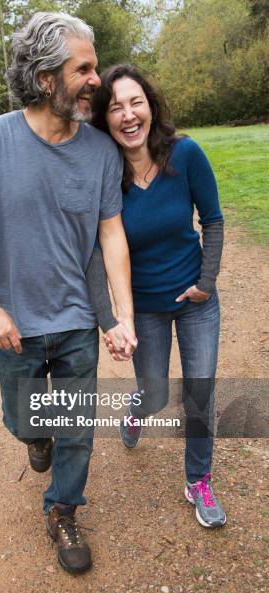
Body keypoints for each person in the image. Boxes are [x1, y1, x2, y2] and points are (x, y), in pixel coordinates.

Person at [0, 14, 136, 574]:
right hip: (13, 326)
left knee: (77, 428)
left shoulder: (100, 151)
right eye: (84, 68)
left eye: (95, 66)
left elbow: (111, 234)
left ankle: (64, 510)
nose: (95, 79)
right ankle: (35, 437)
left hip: (76, 321)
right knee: (26, 421)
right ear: (45, 77)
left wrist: (120, 316)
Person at [87, 64, 226, 528]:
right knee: (154, 395)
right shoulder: (106, 173)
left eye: (136, 102)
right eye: (115, 107)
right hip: (143, 308)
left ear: (150, 106)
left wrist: (206, 283)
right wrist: (111, 317)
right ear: (105, 119)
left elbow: (213, 219)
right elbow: (95, 251)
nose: (128, 115)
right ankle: (136, 409)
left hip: (195, 303)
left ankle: (198, 480)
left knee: (199, 394)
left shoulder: (185, 154)